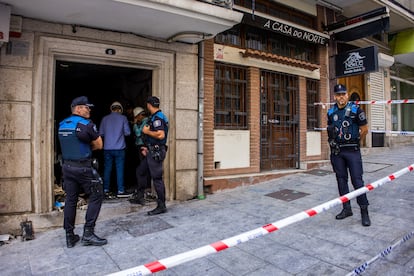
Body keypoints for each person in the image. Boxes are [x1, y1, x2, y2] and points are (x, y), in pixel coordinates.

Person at [58, 96, 107, 247]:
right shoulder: (86, 124)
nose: (89, 109)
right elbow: (99, 145)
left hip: (67, 168)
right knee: (97, 195)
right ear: (78, 108)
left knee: (70, 200)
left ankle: (69, 235)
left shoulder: (62, 124)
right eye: (86, 107)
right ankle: (88, 233)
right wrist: (87, 148)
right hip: (83, 167)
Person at [327, 84, 371, 227]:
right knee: (341, 180)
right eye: (338, 94)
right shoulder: (331, 112)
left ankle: (364, 211)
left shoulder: (356, 110)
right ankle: (346, 209)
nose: (341, 97)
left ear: (347, 95)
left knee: (357, 181)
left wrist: (357, 142)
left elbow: (364, 129)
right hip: (338, 152)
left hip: (352, 151)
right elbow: (330, 129)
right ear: (334, 96)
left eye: (343, 94)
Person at [135, 96, 169, 215]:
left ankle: (161, 205)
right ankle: (139, 196)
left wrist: (146, 131)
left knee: (157, 179)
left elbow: (160, 135)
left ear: (149, 105)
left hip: (156, 151)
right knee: (141, 171)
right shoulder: (155, 117)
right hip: (151, 150)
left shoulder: (157, 118)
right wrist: (147, 147)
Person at [99, 101, 131, 198]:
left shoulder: (104, 119)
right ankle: (120, 190)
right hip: (119, 148)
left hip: (107, 148)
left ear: (111, 109)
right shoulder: (123, 118)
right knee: (119, 169)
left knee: (107, 169)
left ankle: (105, 189)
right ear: (120, 109)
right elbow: (127, 133)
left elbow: (101, 133)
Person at [129, 106, 150, 205]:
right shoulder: (142, 122)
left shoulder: (145, 122)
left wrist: (135, 125)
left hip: (143, 147)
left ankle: (142, 192)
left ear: (140, 115)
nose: (136, 118)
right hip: (140, 146)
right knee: (142, 169)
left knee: (142, 170)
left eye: (137, 116)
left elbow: (138, 133)